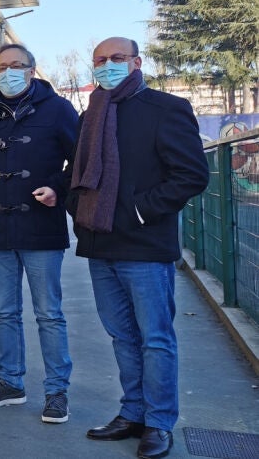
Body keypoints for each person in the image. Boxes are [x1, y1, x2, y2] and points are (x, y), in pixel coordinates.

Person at [69, 38, 208, 459]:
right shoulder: (91, 113)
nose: (107, 66)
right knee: (122, 336)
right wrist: (75, 205)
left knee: (155, 339)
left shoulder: (167, 108)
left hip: (144, 245)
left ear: (136, 62)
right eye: (100, 60)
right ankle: (132, 413)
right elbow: (78, 172)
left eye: (117, 58)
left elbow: (191, 175)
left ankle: (159, 423)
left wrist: (136, 210)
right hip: (99, 243)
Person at [0, 43, 78, 423]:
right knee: (5, 312)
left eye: (17, 65)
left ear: (31, 69)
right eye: (2, 66)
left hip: (41, 225)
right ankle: (10, 382)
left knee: (49, 313)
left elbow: (79, 160)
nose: (9, 72)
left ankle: (57, 391)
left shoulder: (58, 109)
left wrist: (57, 189)